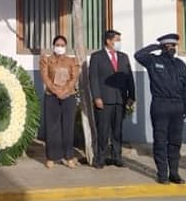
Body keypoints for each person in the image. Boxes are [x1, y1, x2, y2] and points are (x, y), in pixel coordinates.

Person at [135, 34, 186, 185]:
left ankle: (174, 173)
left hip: (177, 106)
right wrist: (156, 47)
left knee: (175, 142)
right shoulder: (153, 61)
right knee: (160, 141)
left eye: (174, 46)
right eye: (168, 46)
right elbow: (138, 55)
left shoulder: (180, 64)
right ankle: (162, 174)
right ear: (163, 47)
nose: (172, 48)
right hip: (160, 105)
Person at [88, 30, 135, 168]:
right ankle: (100, 158)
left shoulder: (124, 57)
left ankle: (116, 156)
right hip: (104, 100)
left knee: (117, 130)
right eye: (117, 40)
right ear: (108, 41)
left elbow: (129, 78)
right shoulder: (97, 57)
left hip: (120, 99)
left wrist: (131, 96)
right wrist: (96, 97)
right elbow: (93, 78)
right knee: (103, 130)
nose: (119, 43)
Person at [38, 35, 81, 169]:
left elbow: (74, 78)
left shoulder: (72, 61)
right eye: (58, 44)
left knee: (68, 127)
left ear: (66, 47)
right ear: (53, 46)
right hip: (51, 96)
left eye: (62, 45)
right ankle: (51, 157)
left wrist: (65, 91)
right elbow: (45, 77)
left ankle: (68, 157)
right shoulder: (47, 60)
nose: (60, 47)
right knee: (52, 127)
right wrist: (56, 91)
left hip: (69, 96)